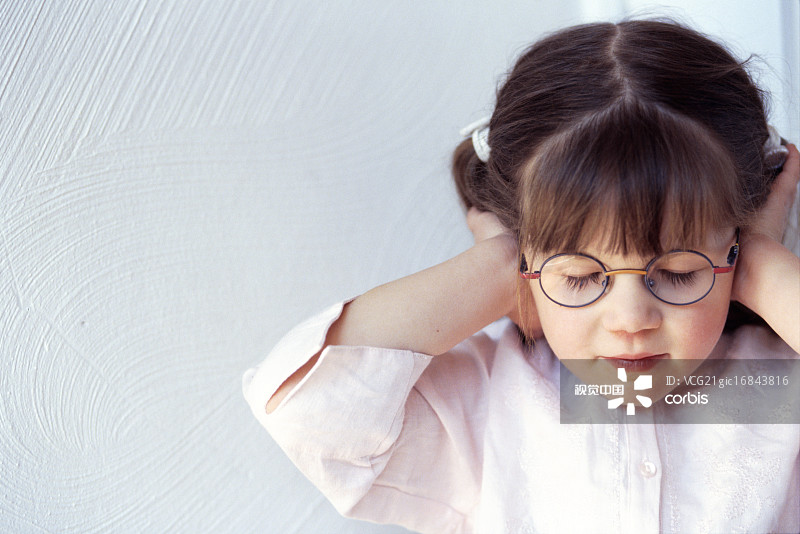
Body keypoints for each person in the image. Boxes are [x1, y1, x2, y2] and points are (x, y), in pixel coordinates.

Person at [243, 19, 800, 533]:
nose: (631, 320)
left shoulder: (771, 387)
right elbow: (307, 409)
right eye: (579, 276)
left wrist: (762, 267)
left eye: (680, 272)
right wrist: (497, 268)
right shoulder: (491, 400)